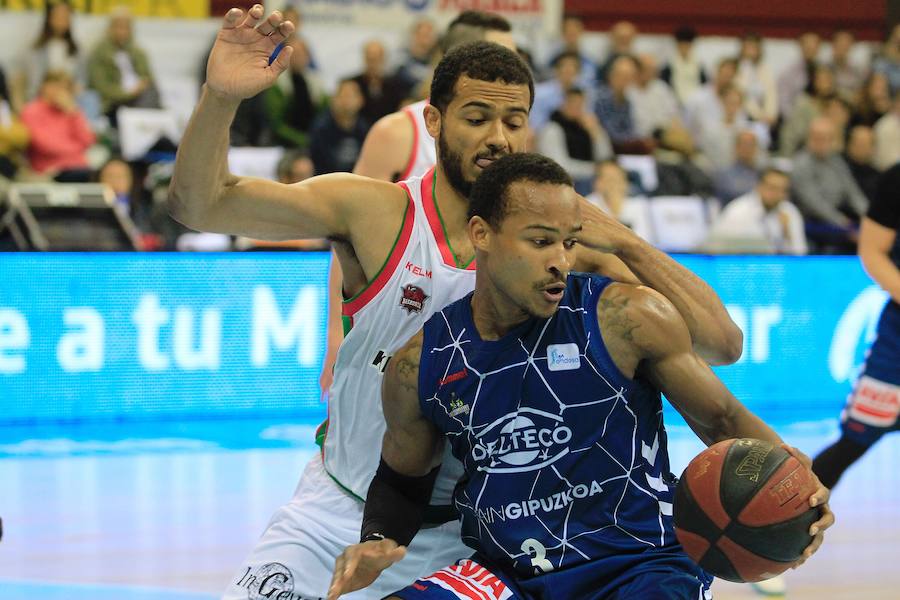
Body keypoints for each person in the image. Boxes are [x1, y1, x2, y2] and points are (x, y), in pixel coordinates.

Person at [170, 7, 741, 598]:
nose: (498, 137)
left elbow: (721, 344)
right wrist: (219, 98)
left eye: (514, 121)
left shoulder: (561, 246)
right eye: (478, 118)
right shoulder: (374, 212)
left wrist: (621, 237)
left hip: (483, 541)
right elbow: (199, 205)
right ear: (435, 121)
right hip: (339, 512)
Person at [326, 153, 833, 600]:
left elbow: (724, 418)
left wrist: (803, 498)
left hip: (643, 563)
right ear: (481, 234)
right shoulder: (421, 363)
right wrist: (375, 542)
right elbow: (402, 484)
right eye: (541, 241)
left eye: (568, 243)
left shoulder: (624, 317)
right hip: (508, 574)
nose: (559, 262)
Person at [812, 163, 900, 490]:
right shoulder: (895, 179)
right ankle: (780, 528)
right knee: (854, 441)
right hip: (898, 336)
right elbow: (872, 250)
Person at [708, 167, 807, 255]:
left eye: (782, 190)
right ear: (759, 186)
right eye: (772, 188)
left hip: (778, 269)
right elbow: (717, 247)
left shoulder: (789, 212)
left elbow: (800, 253)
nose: (776, 194)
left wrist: (786, 235)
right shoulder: (738, 211)